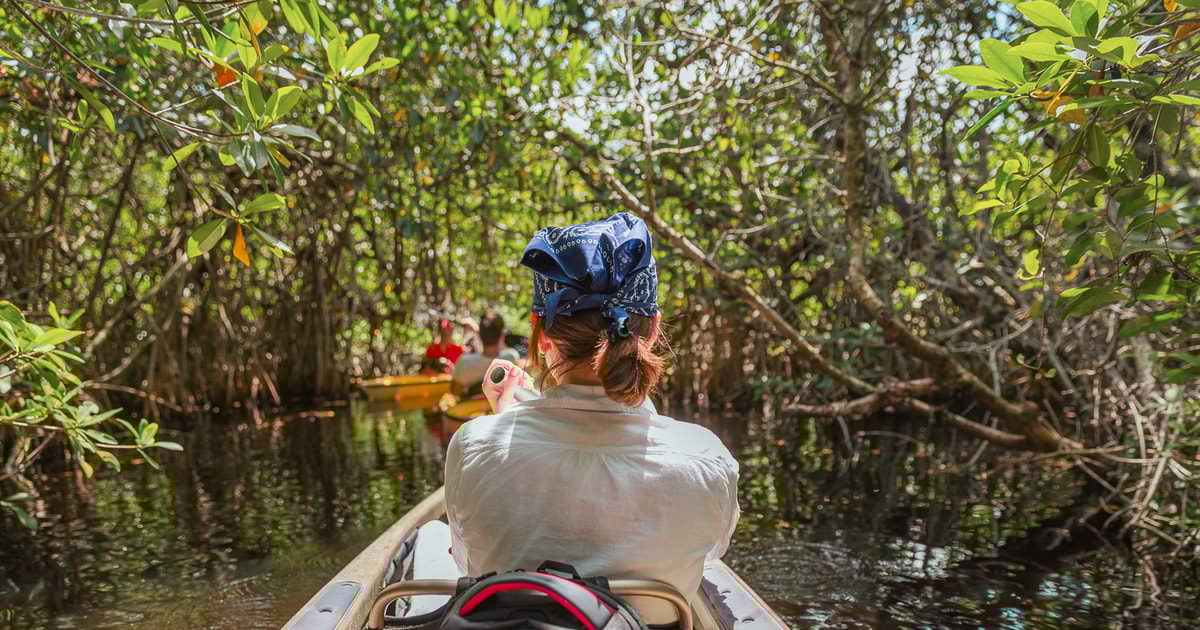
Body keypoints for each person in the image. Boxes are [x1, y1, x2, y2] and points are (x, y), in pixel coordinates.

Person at [444, 213, 740, 626]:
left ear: (541, 333)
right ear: (652, 329)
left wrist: (500, 423)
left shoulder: (473, 444)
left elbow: (467, 561)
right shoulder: (706, 457)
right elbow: (708, 555)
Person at [449, 312, 520, 396]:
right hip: (499, 409)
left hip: (473, 408)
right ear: (501, 336)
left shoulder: (464, 362)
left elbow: (454, 392)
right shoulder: (510, 358)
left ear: (480, 335)